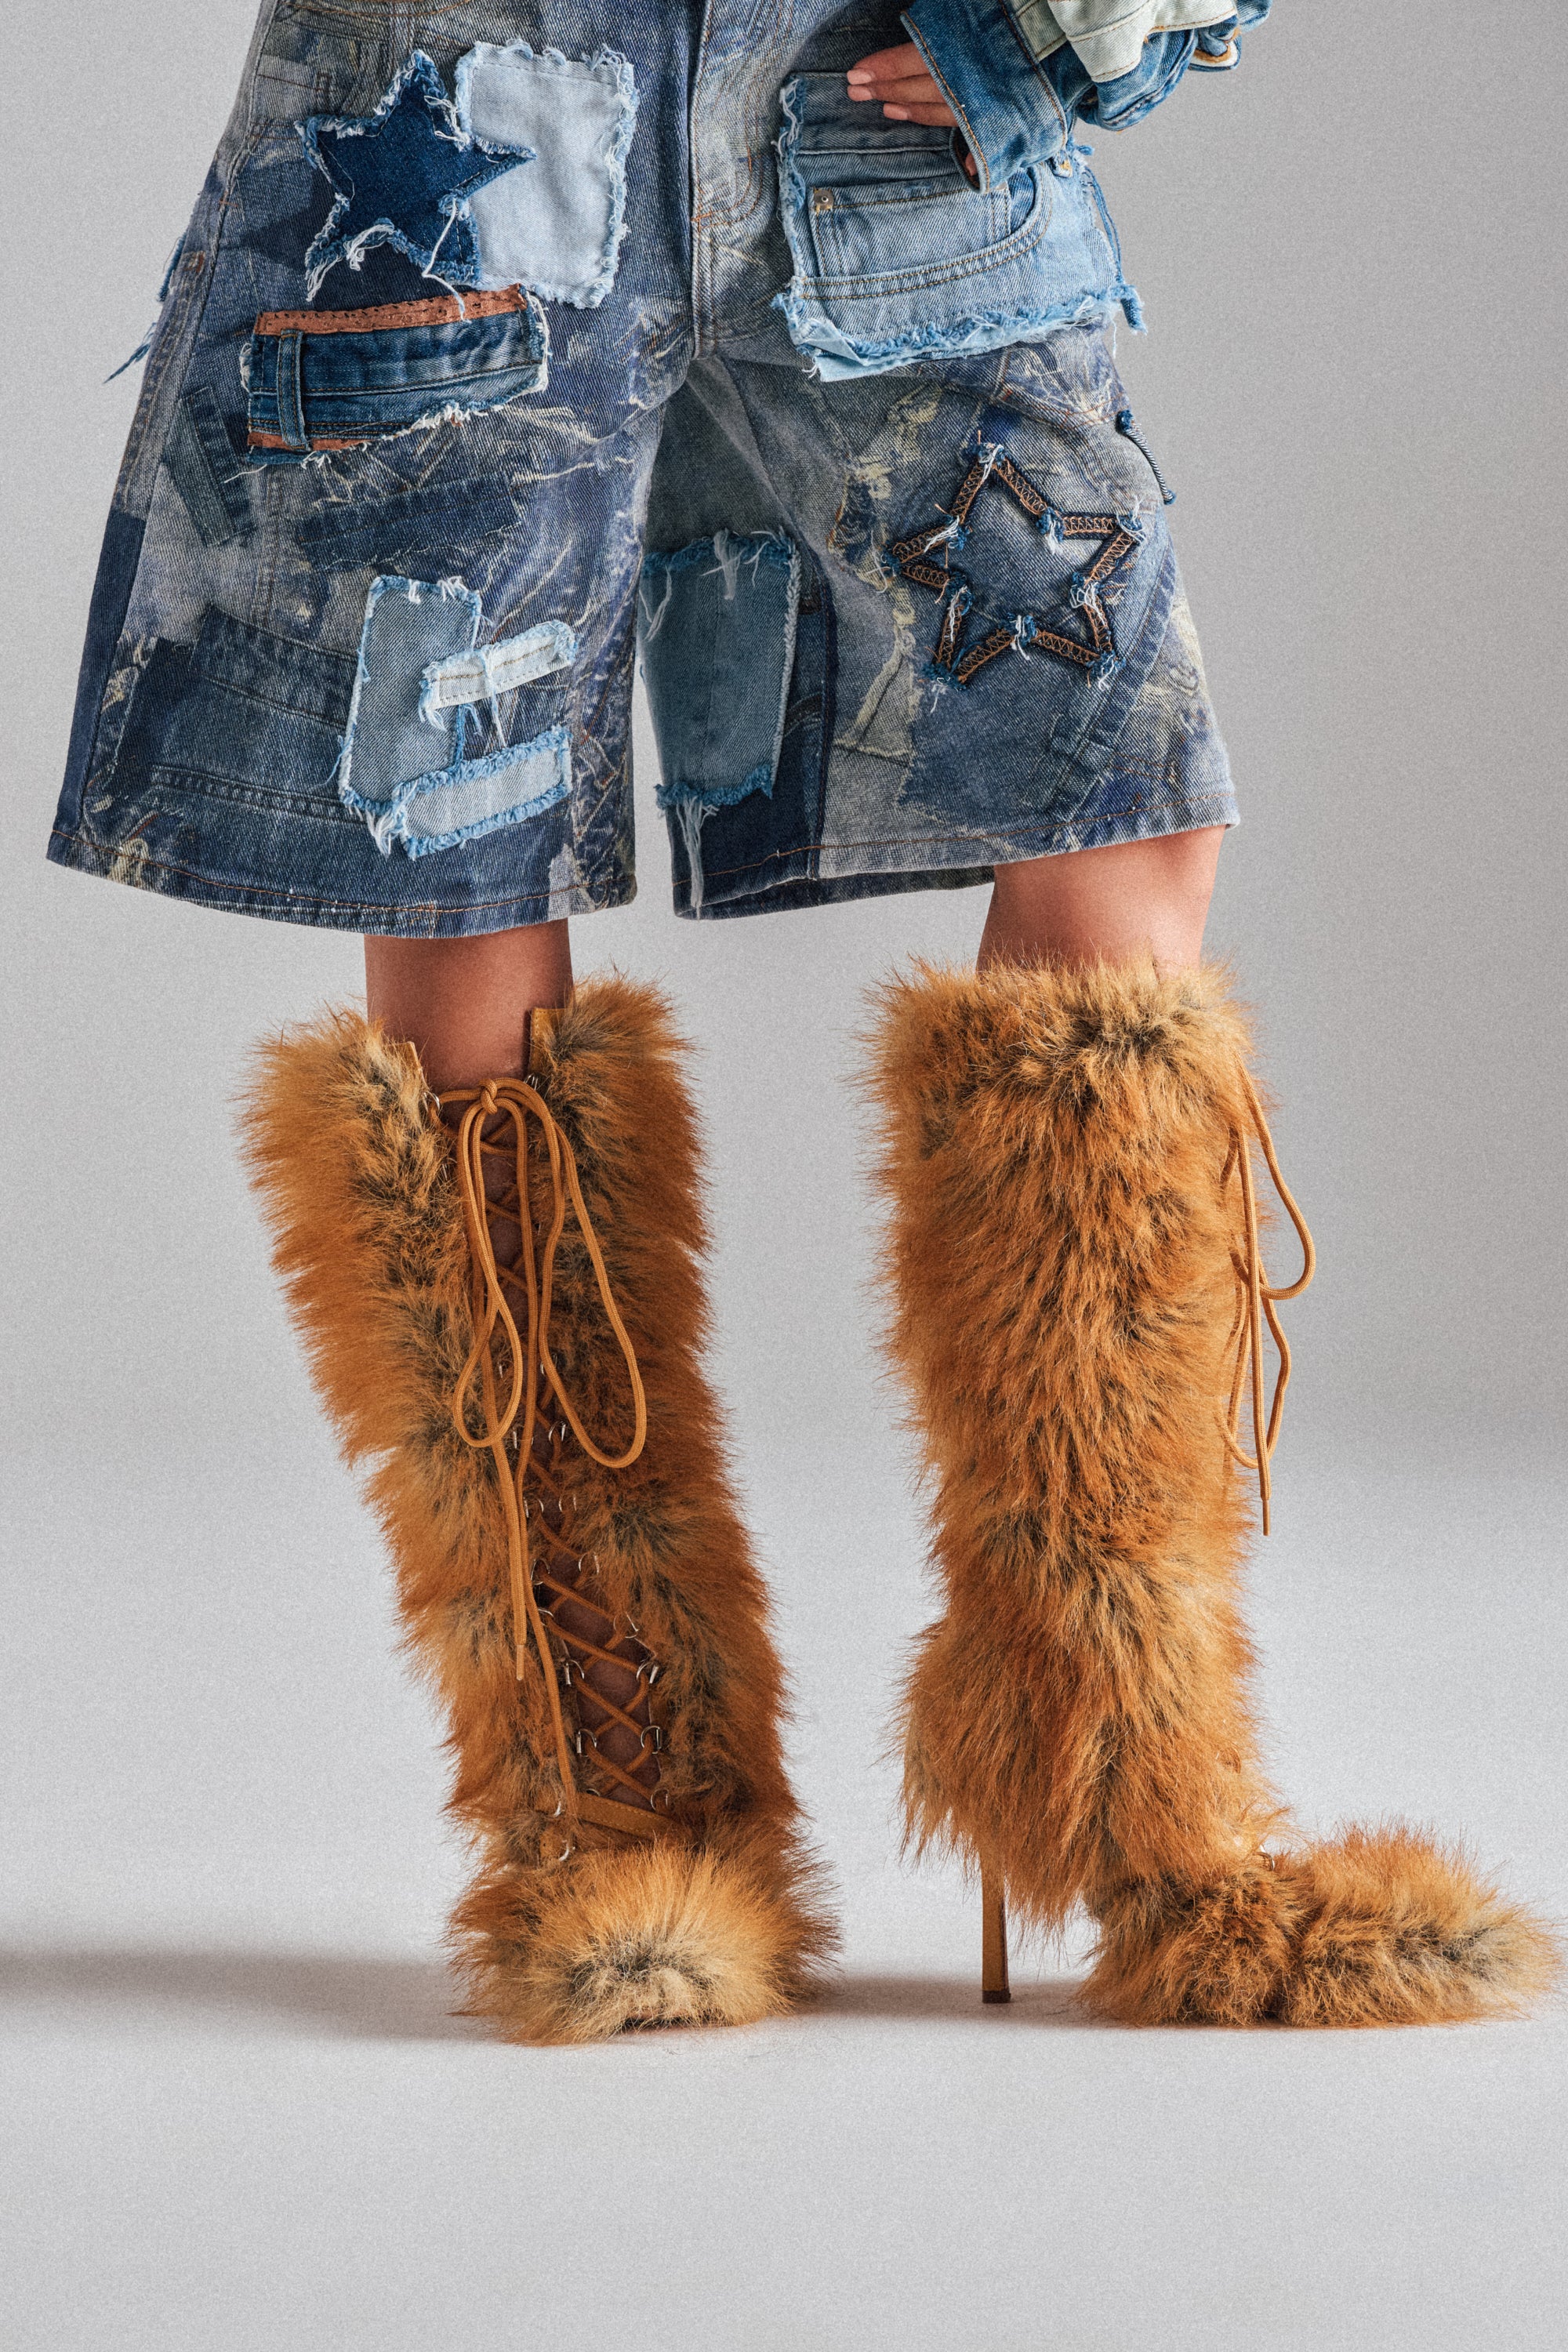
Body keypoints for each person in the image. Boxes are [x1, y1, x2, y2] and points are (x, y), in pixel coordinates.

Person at [49, 2, 1555, 2042]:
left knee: (1120, 823)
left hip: (857, 99)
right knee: (460, 873)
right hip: (455, 115)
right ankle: (612, 1809)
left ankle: (1136, 1796)